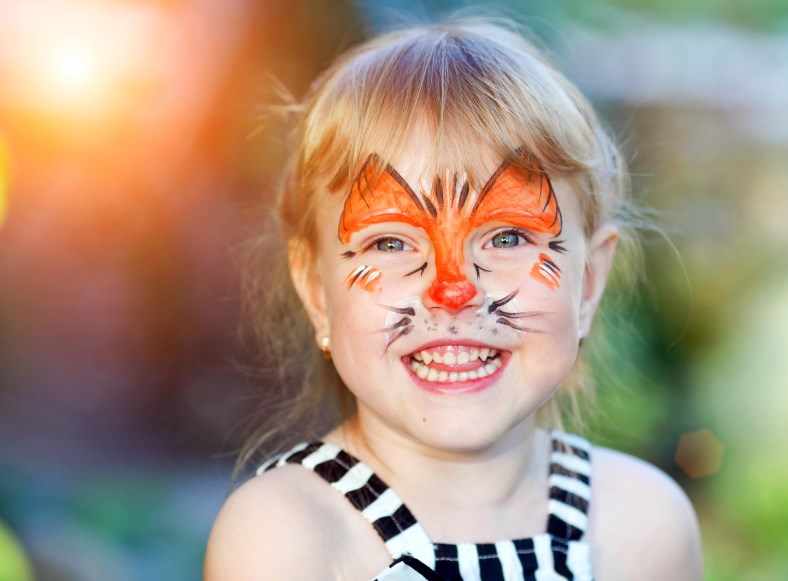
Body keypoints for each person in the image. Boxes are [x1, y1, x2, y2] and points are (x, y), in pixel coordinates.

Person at [205, 18, 703, 580]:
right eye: (390, 241)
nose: (453, 292)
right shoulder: (288, 539)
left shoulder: (645, 526)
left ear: (586, 282)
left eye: (508, 237)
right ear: (318, 291)